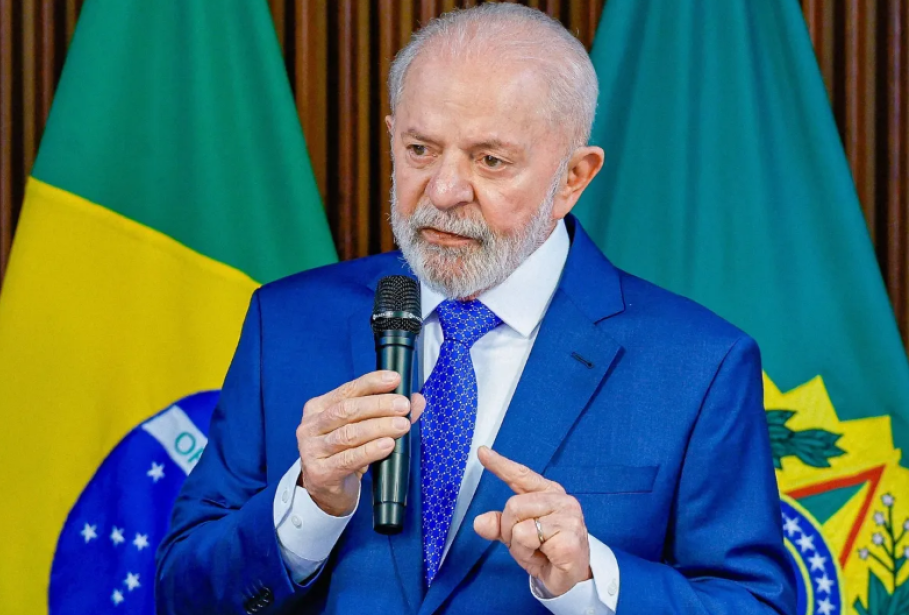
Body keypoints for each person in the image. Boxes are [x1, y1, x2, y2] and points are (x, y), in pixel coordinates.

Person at [155, 4, 795, 614]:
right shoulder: (287, 323)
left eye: (490, 160)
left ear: (573, 177)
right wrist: (306, 508)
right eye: (419, 150)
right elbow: (180, 595)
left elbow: (756, 603)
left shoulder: (699, 363)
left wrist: (590, 582)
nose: (443, 191)